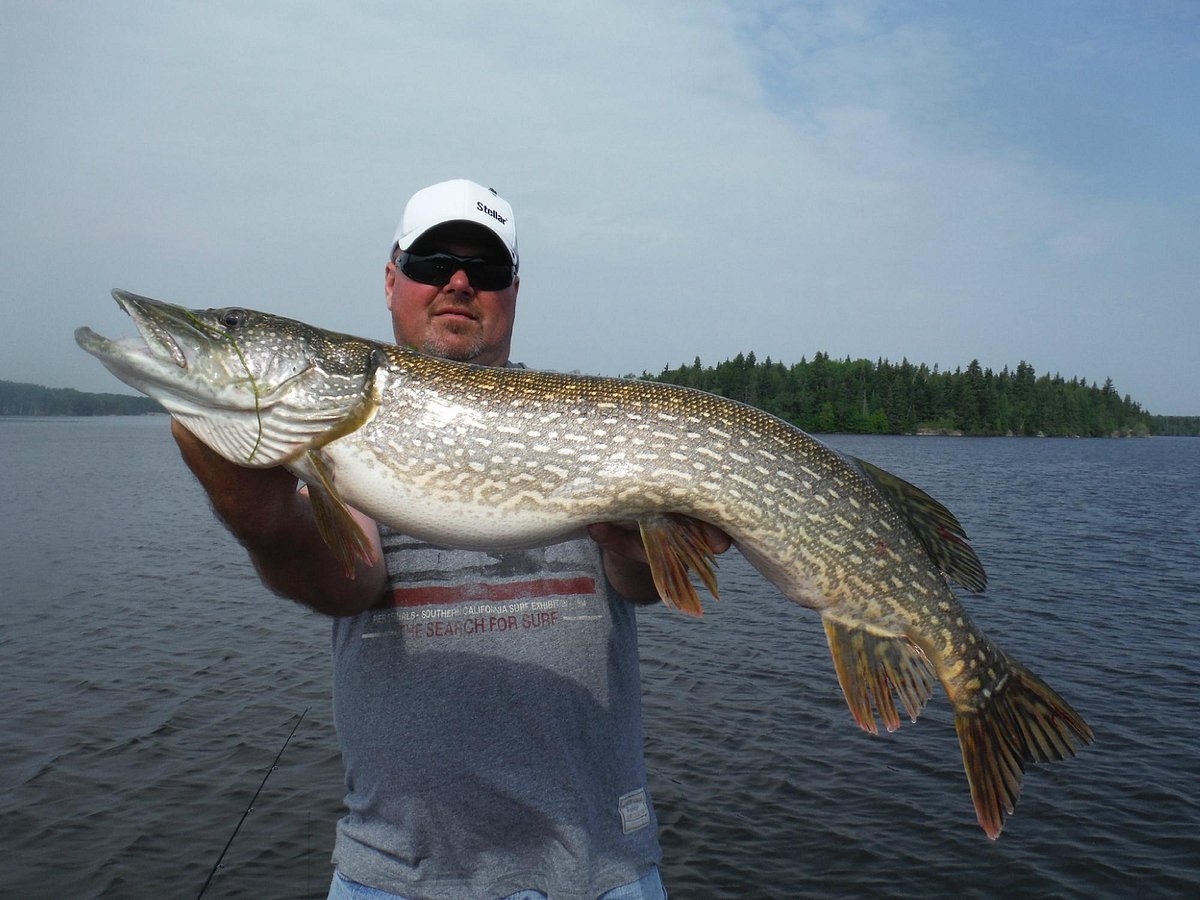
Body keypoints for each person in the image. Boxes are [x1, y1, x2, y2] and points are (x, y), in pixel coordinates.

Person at [172, 179, 730, 900]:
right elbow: (342, 579)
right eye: (433, 261)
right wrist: (254, 504)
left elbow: (638, 584)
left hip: (601, 872)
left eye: (487, 271)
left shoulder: (592, 417)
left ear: (514, 293)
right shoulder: (347, 429)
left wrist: (645, 547)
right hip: (394, 877)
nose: (459, 283)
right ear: (391, 278)